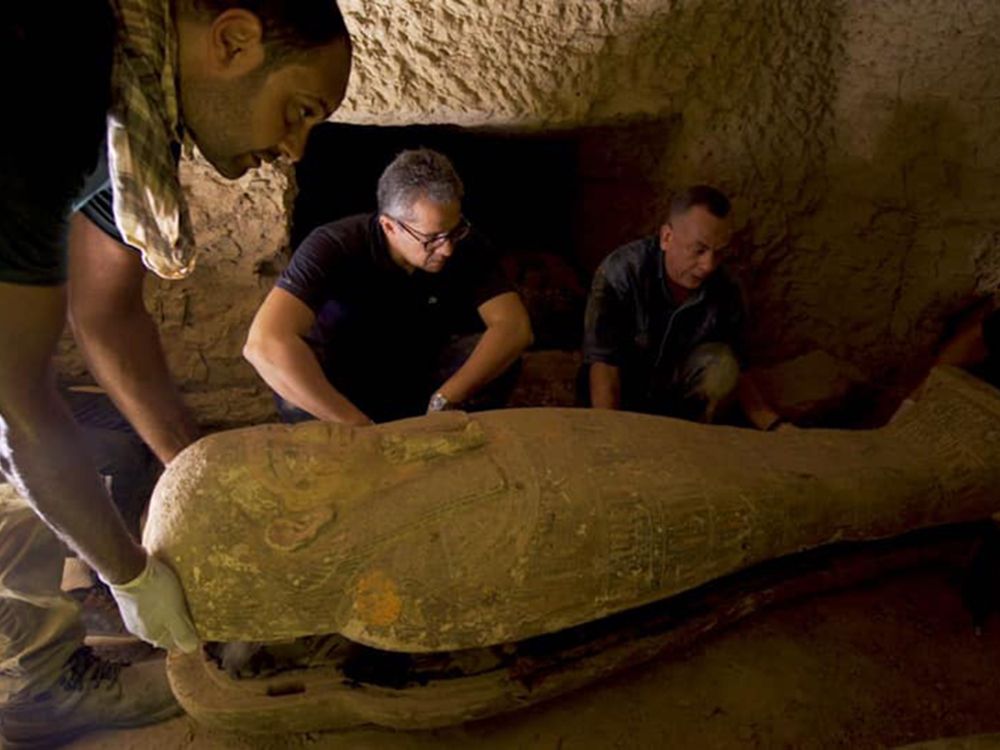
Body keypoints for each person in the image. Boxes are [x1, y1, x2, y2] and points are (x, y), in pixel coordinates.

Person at [0, 1, 352, 744]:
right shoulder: (45, 74)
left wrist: (200, 473)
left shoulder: (133, 118)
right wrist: (131, 576)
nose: (294, 149)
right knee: (26, 465)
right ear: (233, 40)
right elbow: (16, 399)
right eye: (298, 111)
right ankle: (35, 687)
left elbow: (107, 313)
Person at [244, 148, 534, 424]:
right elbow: (263, 344)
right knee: (293, 378)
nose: (447, 249)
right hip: (343, 383)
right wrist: (355, 424)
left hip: (417, 374)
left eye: (454, 231)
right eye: (432, 238)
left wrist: (446, 399)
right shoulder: (334, 245)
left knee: (498, 358)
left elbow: (514, 327)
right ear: (389, 226)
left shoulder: (466, 245)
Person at [583, 185, 779, 428]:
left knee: (722, 365)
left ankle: (698, 438)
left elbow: (740, 368)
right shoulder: (622, 273)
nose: (708, 265)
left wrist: (773, 425)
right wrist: (609, 432)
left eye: (718, 254)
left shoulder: (725, 288)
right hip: (624, 399)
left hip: (678, 407)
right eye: (699, 250)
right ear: (667, 238)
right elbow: (603, 364)